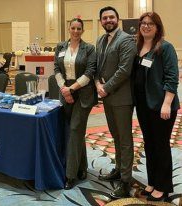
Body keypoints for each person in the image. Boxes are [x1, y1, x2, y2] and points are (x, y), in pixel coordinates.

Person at [133, 12, 179, 202]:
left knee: (161, 145)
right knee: (149, 144)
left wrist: (167, 104)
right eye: (143, 23)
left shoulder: (165, 48)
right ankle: (152, 181)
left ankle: (163, 186)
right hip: (143, 105)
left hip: (161, 106)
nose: (146, 26)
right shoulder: (138, 46)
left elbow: (172, 77)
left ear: (157, 27)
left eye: (150, 24)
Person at [95, 6, 136, 199]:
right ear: (101, 21)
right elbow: (97, 66)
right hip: (107, 98)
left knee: (125, 140)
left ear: (117, 20)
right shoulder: (101, 40)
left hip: (121, 97)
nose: (108, 20)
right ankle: (119, 169)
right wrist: (97, 83)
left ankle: (126, 181)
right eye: (105, 18)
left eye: (111, 17)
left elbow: (124, 70)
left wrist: (105, 88)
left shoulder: (126, 39)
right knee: (116, 137)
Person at [54, 17, 97, 190]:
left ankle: (70, 175)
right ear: (69, 29)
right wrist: (64, 88)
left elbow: (90, 71)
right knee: (75, 133)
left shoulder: (89, 48)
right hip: (65, 92)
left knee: (74, 130)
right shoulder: (60, 47)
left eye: (79, 29)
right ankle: (82, 167)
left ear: (83, 30)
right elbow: (57, 69)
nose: (76, 31)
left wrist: (72, 89)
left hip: (83, 93)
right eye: (73, 28)